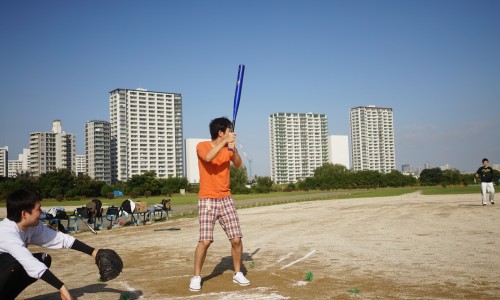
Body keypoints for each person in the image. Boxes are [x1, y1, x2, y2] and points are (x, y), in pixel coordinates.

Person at [0, 189, 101, 299]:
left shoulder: (31, 227)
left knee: (44, 259)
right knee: (14, 261)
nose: (41, 212)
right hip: (7, 263)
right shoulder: (6, 232)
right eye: (38, 209)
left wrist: (94, 252)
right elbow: (30, 263)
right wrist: (61, 287)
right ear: (24, 214)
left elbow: (59, 239)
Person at [189, 117, 250, 292]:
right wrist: (224, 142)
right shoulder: (202, 146)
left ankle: (238, 273)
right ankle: (196, 277)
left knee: (237, 239)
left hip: (226, 199)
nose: (232, 133)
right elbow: (208, 158)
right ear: (220, 132)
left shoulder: (228, 147)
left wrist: (232, 148)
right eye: (229, 131)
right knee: (205, 241)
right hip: (207, 200)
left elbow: (238, 164)